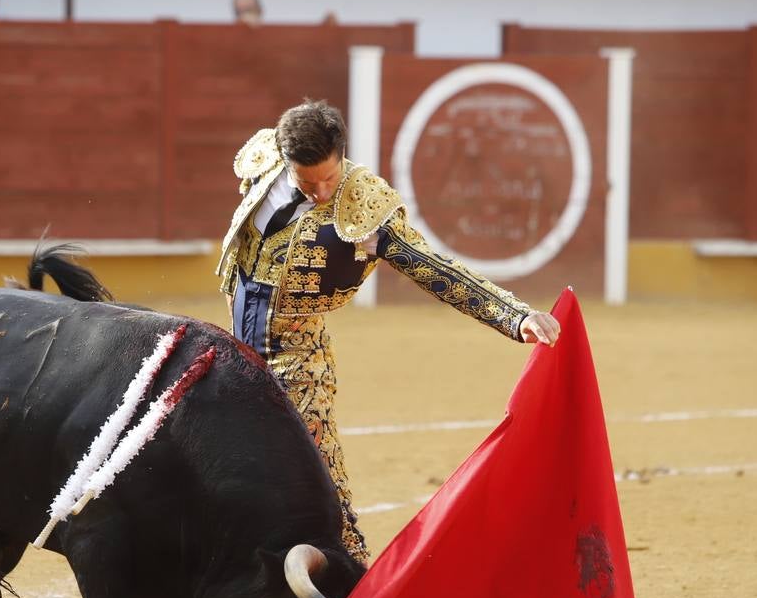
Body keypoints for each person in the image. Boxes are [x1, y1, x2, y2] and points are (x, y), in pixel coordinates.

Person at [217, 100, 561, 566]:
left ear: (342, 154)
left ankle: (351, 581)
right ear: (283, 159)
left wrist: (513, 315)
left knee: (320, 477)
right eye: (307, 181)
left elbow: (433, 267)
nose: (321, 192)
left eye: (330, 178)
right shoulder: (265, 160)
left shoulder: (365, 204)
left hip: (298, 355)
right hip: (235, 345)